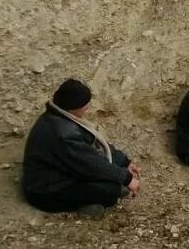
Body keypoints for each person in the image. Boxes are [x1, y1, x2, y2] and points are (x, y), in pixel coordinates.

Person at [22, 79, 139, 216]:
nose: (88, 107)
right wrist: (126, 178)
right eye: (85, 104)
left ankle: (89, 202)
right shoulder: (64, 134)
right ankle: (81, 207)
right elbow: (90, 163)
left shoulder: (59, 117)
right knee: (111, 189)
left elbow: (93, 145)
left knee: (112, 181)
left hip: (61, 174)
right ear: (74, 107)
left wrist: (124, 162)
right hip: (45, 191)